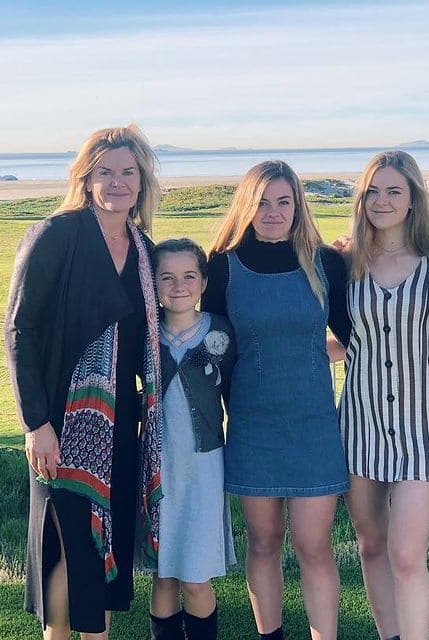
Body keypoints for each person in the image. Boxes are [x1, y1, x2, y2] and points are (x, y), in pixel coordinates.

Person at [4, 125, 163, 639]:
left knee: (103, 546)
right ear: (86, 178)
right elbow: (19, 328)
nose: (117, 182)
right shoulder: (58, 234)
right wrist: (36, 425)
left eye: (128, 172)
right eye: (105, 172)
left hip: (118, 429)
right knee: (66, 548)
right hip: (61, 425)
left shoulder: (144, 250)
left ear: (142, 181)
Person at [203, 160, 351, 640]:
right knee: (264, 543)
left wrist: (424, 361)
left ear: (298, 205)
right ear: (246, 205)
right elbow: (212, 349)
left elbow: (357, 338)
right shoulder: (222, 267)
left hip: (314, 426)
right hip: (252, 425)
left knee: (314, 546)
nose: (273, 212)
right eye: (262, 202)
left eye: (283, 201)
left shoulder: (326, 262)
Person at [331, 151, 429, 640]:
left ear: (412, 200)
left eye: (393, 191)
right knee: (371, 544)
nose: (381, 201)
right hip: (360, 425)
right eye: (372, 191)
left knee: (407, 553)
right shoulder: (342, 263)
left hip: (420, 426)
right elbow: (343, 341)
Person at [148, 238, 236, 640]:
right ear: (153, 283)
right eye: (167, 277)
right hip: (158, 468)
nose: (178, 285)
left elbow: (241, 393)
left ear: (203, 282)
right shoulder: (144, 336)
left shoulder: (221, 331)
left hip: (204, 469)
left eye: (188, 276)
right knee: (164, 574)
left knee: (196, 577)